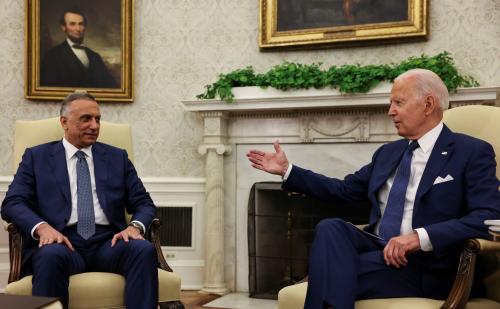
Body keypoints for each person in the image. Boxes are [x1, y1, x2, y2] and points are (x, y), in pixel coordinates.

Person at [247, 69, 500, 309]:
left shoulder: (471, 152)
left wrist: (418, 237)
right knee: (330, 227)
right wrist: (287, 170)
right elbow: (343, 190)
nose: (390, 111)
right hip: (379, 249)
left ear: (428, 104)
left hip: (429, 265)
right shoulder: (388, 153)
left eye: (398, 103)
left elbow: (487, 217)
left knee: (328, 270)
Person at [1, 92, 157, 309]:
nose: (94, 125)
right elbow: (12, 202)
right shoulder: (37, 157)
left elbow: (144, 203)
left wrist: (135, 226)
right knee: (50, 255)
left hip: (108, 242)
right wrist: (43, 228)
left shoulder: (116, 157)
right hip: (62, 240)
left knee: (143, 249)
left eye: (98, 119)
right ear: (64, 122)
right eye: (86, 119)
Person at [40, 8, 118, 88]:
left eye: (81, 24)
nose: (78, 29)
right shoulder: (52, 56)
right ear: (63, 27)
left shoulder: (95, 57)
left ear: (85, 27)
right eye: (72, 24)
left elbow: (111, 86)